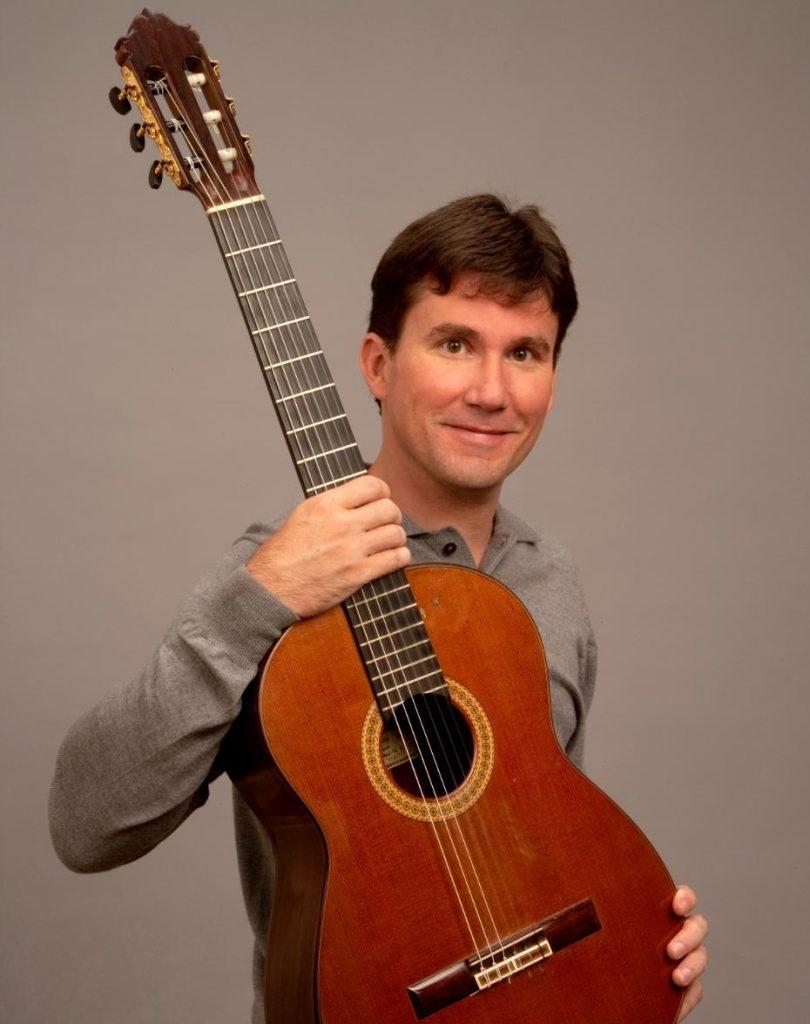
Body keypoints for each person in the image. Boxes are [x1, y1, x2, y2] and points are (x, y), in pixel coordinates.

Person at [49, 194, 708, 1021]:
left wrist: (632, 953)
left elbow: (545, 839)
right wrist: (254, 601)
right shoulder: (273, 578)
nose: (492, 391)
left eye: (527, 353)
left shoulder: (548, 579)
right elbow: (85, 826)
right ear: (376, 364)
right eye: (456, 343)